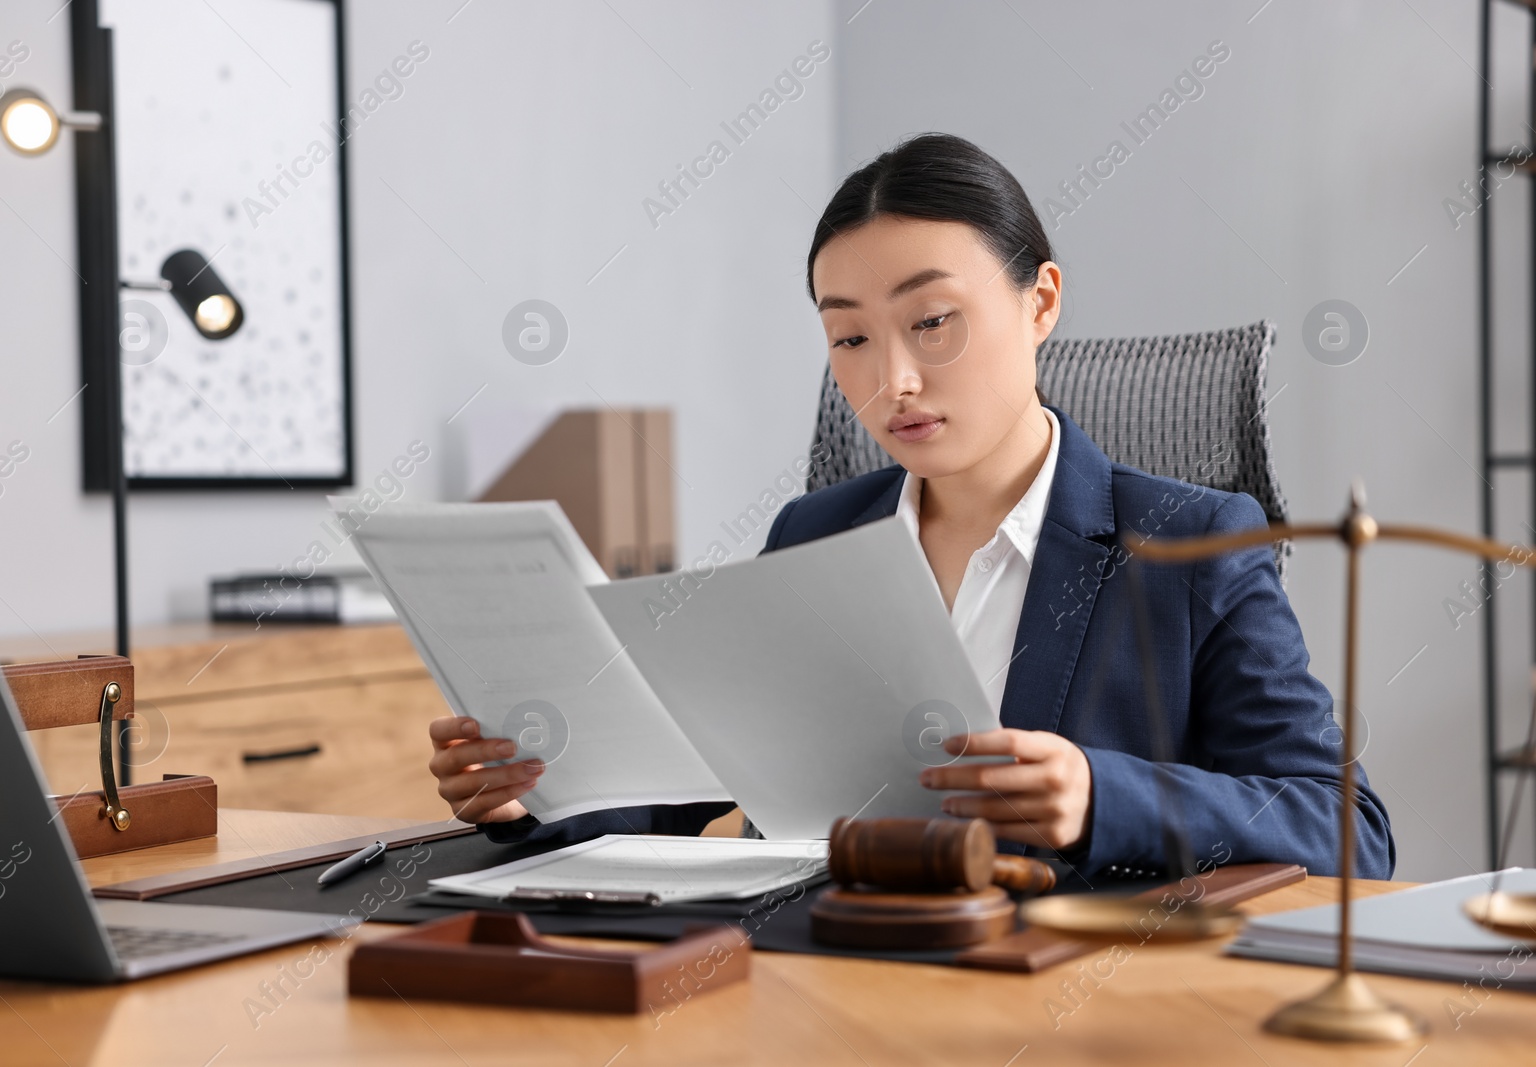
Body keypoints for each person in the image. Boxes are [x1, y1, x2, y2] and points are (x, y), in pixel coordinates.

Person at [426, 132, 1395, 880]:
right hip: (815, 986)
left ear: (1041, 301)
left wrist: (1103, 794)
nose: (891, 380)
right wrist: (533, 798)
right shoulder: (812, 535)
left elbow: (1349, 829)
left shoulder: (1193, 542)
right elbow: (699, 785)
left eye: (932, 322)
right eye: (848, 338)